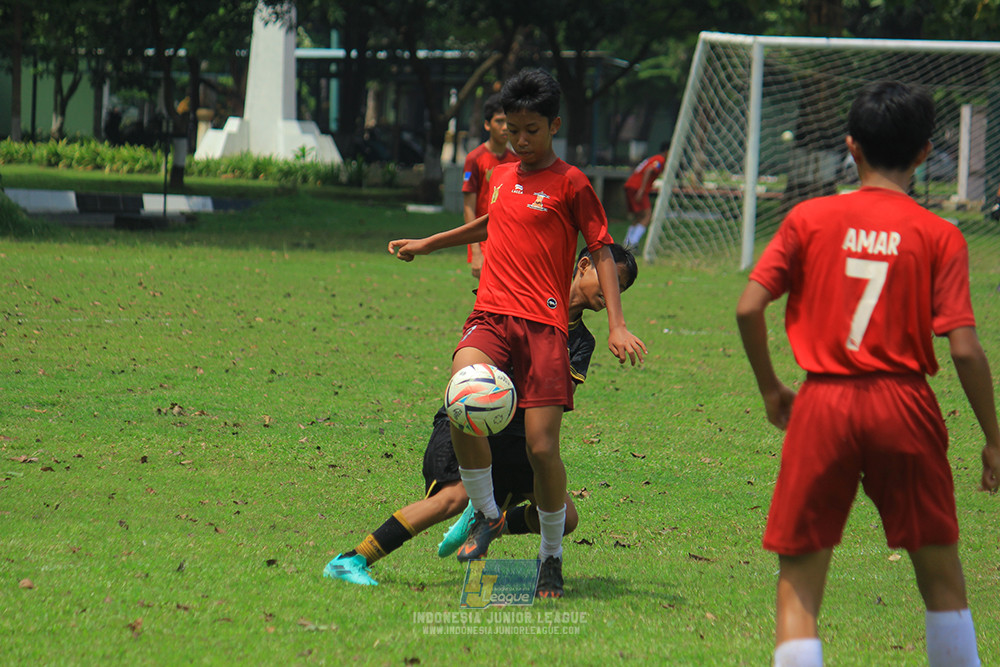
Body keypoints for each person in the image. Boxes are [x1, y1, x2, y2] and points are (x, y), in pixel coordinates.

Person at [735, 80, 1000, 667]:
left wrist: (772, 388)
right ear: (926, 153)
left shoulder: (809, 218)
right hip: (905, 405)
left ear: (851, 148)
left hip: (823, 404)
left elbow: (749, 306)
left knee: (800, 582)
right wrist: (994, 438)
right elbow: (964, 350)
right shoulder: (940, 234)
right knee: (942, 580)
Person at [388, 68, 646, 599]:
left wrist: (617, 324)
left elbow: (600, 248)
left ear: (553, 126)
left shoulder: (572, 183)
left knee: (542, 449)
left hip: (544, 328)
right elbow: (489, 224)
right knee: (464, 390)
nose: (520, 140)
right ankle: (485, 513)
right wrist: (428, 242)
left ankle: (550, 556)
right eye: (512, 130)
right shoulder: (501, 175)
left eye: (531, 130)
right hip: (493, 314)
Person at [323, 245, 638, 586]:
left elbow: (558, 401)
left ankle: (494, 519)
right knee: (454, 498)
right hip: (471, 421)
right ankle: (352, 560)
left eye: (620, 291)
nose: (613, 296)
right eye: (611, 284)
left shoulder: (581, 342)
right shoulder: (522, 303)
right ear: (584, 265)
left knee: (565, 519)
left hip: (521, 437)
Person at [462, 93, 518, 279]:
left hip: (509, 242)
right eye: (499, 121)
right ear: (487, 125)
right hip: (484, 240)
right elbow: (469, 207)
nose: (504, 128)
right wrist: (476, 252)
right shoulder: (475, 159)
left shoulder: (517, 161)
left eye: (508, 122)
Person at [623, 141, 669, 248]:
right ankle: (633, 243)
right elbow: (649, 170)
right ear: (667, 151)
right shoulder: (660, 159)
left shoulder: (654, 158)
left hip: (630, 185)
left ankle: (627, 243)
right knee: (647, 215)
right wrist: (642, 190)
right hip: (637, 187)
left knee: (639, 216)